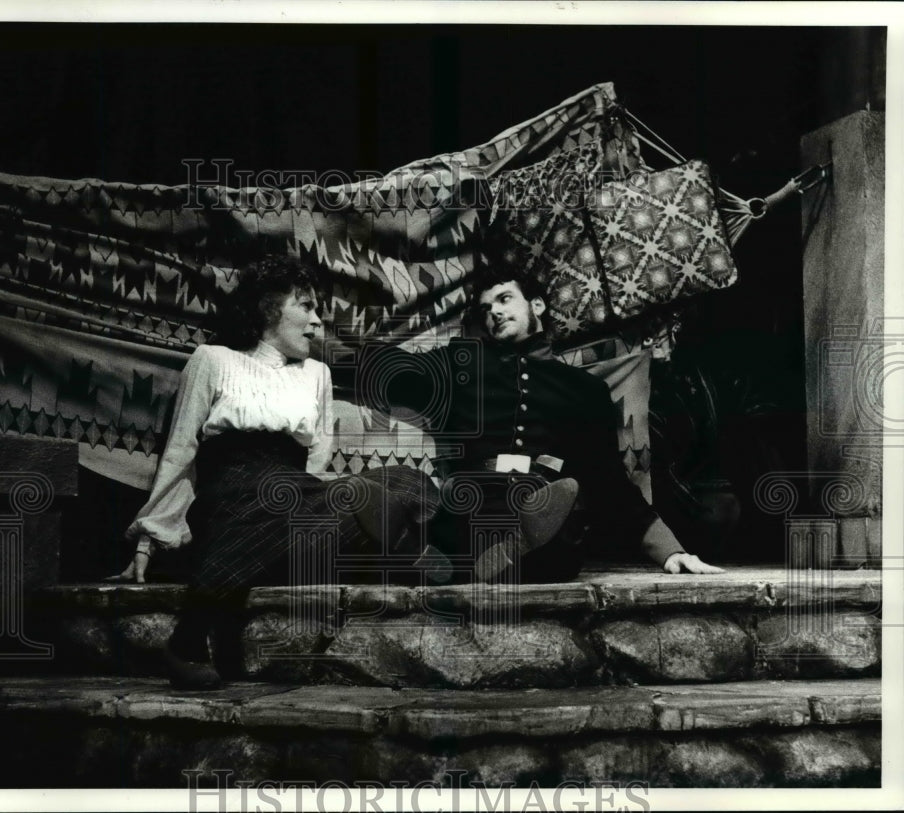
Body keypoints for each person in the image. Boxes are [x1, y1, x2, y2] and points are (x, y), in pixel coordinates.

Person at [111, 255, 439, 688]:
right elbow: (180, 452)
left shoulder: (316, 374)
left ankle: (426, 539)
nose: (317, 322)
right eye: (305, 306)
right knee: (319, 502)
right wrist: (150, 540)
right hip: (232, 496)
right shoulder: (212, 360)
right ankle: (187, 640)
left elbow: (316, 460)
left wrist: (330, 495)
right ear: (268, 308)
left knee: (407, 481)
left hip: (294, 496)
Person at [328, 260, 723, 583]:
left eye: (504, 299)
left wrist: (670, 551)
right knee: (419, 492)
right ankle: (460, 556)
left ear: (537, 306)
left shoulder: (583, 390)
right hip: (474, 504)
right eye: (486, 308)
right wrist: (313, 358)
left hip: (545, 509)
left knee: (555, 519)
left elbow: (608, 482)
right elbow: (384, 371)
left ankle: (453, 564)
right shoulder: (458, 364)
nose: (494, 312)